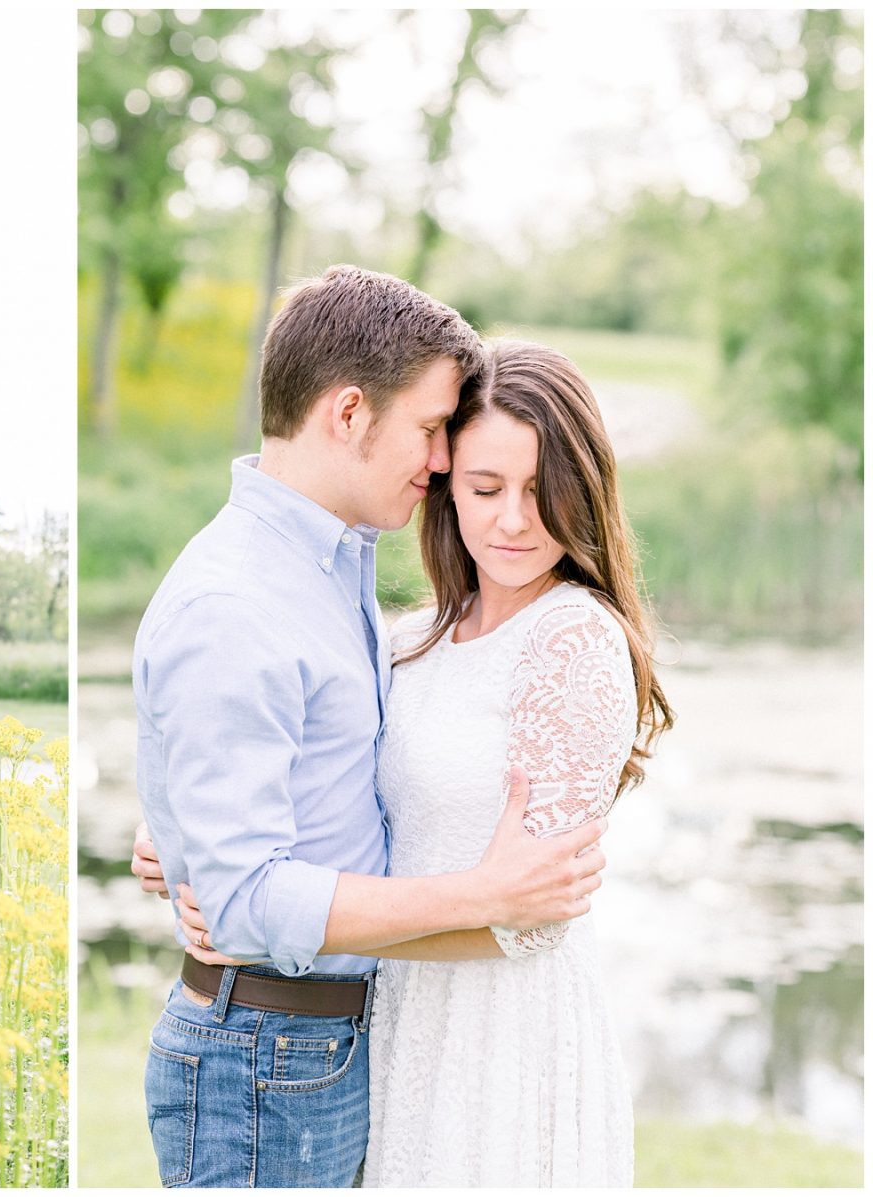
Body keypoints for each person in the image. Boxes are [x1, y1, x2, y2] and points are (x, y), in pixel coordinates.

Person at [130, 265, 609, 1188]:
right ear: (349, 413)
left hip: (327, 1044)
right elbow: (243, 897)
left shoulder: (332, 563)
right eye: (431, 431)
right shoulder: (241, 598)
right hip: (266, 1053)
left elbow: (316, 776)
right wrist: (487, 895)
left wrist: (183, 828)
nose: (437, 463)